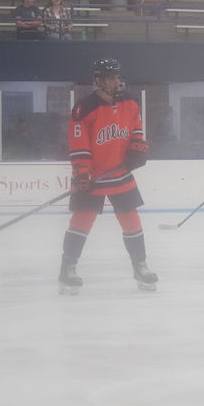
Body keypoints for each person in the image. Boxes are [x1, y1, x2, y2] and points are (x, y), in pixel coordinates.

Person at [59, 58, 156, 294]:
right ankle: (68, 269)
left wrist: (137, 149)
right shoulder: (84, 109)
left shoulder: (131, 104)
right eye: (111, 77)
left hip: (120, 174)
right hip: (91, 177)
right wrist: (82, 172)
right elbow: (79, 145)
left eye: (117, 76)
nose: (116, 81)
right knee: (82, 221)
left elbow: (137, 131)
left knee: (131, 220)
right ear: (99, 80)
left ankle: (139, 265)